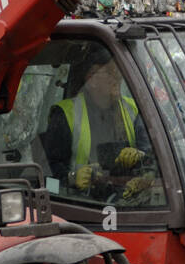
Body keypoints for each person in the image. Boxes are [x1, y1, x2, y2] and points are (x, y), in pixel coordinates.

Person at [43, 49, 153, 200]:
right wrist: (71, 179)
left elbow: (154, 159)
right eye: (110, 72)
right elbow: (45, 182)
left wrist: (141, 157)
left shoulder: (133, 109)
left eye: (118, 71)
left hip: (128, 201)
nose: (118, 77)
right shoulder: (65, 114)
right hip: (82, 206)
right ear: (91, 79)